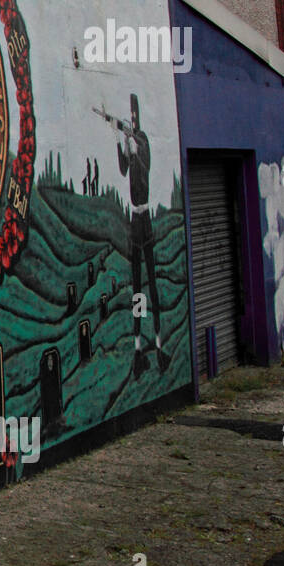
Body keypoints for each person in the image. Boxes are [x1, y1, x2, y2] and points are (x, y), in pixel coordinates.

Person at [114, 94, 168, 377]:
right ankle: (137, 349)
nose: (131, 121)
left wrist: (131, 139)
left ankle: (158, 344)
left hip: (146, 220)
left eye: (133, 117)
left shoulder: (143, 141)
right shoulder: (132, 144)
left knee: (153, 284)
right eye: (129, 117)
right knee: (137, 288)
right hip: (134, 220)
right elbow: (124, 168)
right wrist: (118, 139)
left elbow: (141, 157)